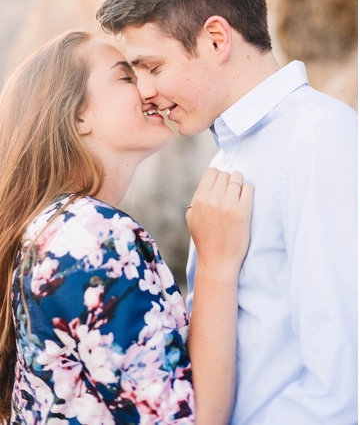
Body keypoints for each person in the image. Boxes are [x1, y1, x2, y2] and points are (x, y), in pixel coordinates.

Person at [96, 0, 358, 424]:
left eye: (152, 67)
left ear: (216, 40)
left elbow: (340, 388)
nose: (146, 93)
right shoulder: (230, 156)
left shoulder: (317, 140)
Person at [0, 31, 253, 424]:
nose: (149, 91)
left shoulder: (49, 229)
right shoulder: (90, 236)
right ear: (77, 116)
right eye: (126, 77)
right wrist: (217, 264)